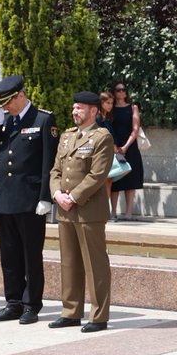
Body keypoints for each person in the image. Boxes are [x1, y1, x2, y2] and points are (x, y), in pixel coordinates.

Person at [0, 75, 58, 325]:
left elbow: (48, 162)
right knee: (9, 254)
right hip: (5, 197)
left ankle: (31, 304)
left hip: (30, 201)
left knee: (30, 255)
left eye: (8, 102)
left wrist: (45, 198)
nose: (4, 107)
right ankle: (13, 302)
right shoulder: (4, 122)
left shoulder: (43, 119)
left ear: (20, 95)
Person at [48, 91, 115, 333]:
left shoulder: (102, 137)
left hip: (88, 211)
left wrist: (73, 197)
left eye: (80, 108)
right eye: (74, 108)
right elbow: (55, 170)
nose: (75, 112)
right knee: (69, 263)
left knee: (95, 264)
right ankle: (70, 312)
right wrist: (57, 195)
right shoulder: (66, 137)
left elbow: (97, 175)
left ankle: (98, 316)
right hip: (65, 210)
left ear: (94, 111)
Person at [109, 82, 144, 221]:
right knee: (115, 181)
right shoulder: (110, 108)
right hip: (114, 147)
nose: (121, 92)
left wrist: (126, 146)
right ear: (114, 92)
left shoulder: (132, 107)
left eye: (124, 90)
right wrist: (115, 147)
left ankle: (129, 213)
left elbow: (135, 129)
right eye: (118, 90)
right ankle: (113, 212)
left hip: (130, 147)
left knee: (131, 181)